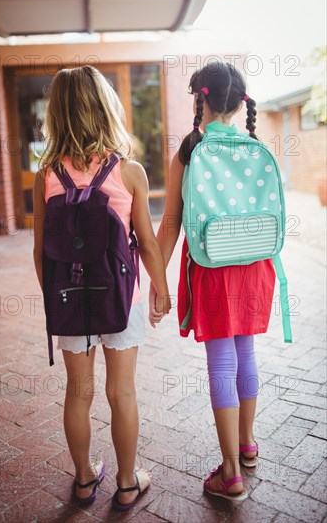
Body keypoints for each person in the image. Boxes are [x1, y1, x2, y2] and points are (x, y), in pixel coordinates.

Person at [33, 65, 171, 511]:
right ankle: (128, 483)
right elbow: (147, 243)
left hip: (69, 298)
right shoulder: (129, 171)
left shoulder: (46, 174)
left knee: (78, 391)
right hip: (120, 297)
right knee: (122, 391)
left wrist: (52, 296)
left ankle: (84, 479)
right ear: (106, 107)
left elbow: (41, 251)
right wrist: (161, 289)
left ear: (58, 114)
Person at [149, 61, 276, 501]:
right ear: (241, 104)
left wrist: (158, 279)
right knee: (247, 352)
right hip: (256, 266)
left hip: (212, 266)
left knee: (221, 362)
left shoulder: (188, 151)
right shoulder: (254, 144)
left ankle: (230, 473)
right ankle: (247, 444)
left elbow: (170, 225)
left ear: (199, 99)